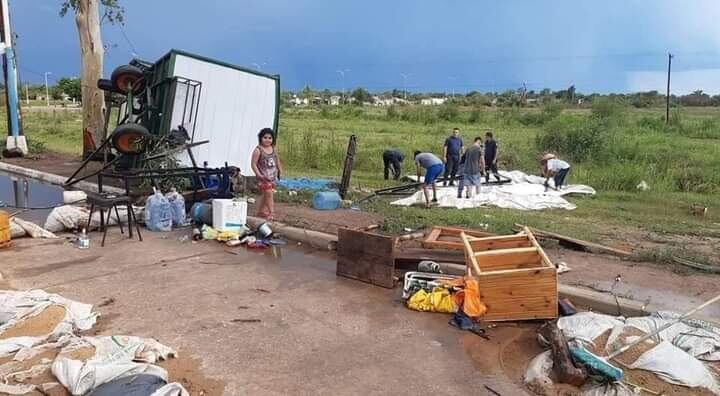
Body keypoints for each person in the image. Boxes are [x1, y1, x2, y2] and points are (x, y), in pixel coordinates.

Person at [251, 128, 283, 220]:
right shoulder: (258, 150)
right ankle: (271, 212)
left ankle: (261, 212)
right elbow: (253, 164)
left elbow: (277, 160)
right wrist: (258, 174)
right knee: (269, 193)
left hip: (272, 176)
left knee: (266, 194)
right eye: (265, 137)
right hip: (263, 177)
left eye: (270, 138)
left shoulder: (273, 149)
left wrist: (280, 170)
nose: (267, 140)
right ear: (261, 138)